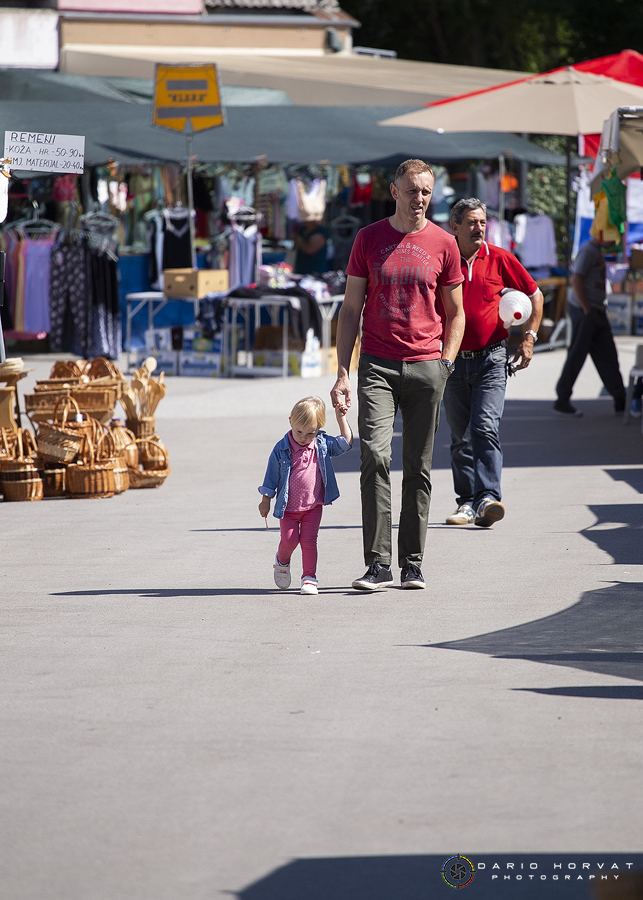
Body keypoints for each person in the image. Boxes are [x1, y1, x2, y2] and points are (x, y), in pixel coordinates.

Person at [330, 159, 465, 592]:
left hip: (427, 365)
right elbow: (350, 310)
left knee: (418, 467)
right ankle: (377, 563)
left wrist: (445, 362)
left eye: (426, 191)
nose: (419, 199)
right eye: (412, 191)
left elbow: (456, 312)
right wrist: (341, 372)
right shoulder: (369, 239)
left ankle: (412, 563)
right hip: (378, 365)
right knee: (375, 457)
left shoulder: (445, 242)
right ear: (394, 191)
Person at [443, 198, 543, 528]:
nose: (479, 228)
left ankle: (487, 497)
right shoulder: (443, 259)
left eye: (483, 222)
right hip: (452, 362)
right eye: (472, 222)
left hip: (492, 359)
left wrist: (529, 337)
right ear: (455, 227)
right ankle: (467, 502)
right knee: (460, 436)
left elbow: (535, 294)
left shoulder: (499, 258)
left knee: (485, 427)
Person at [258, 396, 353, 595]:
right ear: (290, 420)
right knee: (290, 541)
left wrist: (341, 419)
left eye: (310, 433)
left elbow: (345, 444)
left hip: (313, 505)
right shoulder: (281, 449)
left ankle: (309, 577)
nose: (303, 437)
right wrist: (265, 500)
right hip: (289, 508)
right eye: (299, 431)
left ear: (318, 429)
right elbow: (271, 476)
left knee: (309, 541)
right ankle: (282, 561)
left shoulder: (321, 444)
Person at [554, 236, 626, 417]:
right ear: (603, 233)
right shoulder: (587, 251)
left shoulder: (596, 252)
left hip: (595, 310)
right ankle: (562, 398)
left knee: (607, 354)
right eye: (613, 236)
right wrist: (586, 309)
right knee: (578, 354)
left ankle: (621, 400)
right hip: (585, 310)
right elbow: (576, 280)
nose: (614, 242)